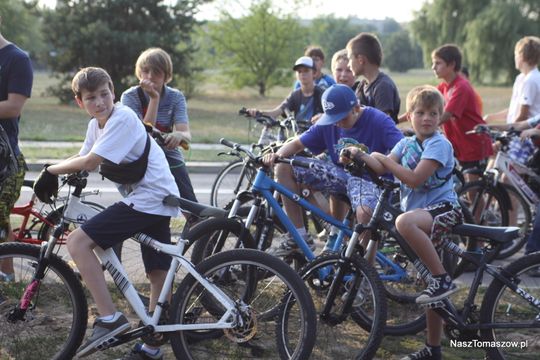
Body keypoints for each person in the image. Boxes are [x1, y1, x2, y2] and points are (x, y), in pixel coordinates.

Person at [33, 67, 179, 360]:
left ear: (113, 91)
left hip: (150, 198)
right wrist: (57, 168)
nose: (99, 102)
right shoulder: (95, 125)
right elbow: (84, 155)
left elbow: (91, 161)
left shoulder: (122, 118)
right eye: (91, 98)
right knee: (157, 272)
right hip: (152, 197)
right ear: (80, 102)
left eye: (104, 94)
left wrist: (50, 170)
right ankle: (152, 348)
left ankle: (110, 318)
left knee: (77, 242)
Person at [345, 85, 462, 360]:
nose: (426, 118)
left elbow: (414, 179)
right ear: (409, 116)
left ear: (440, 116)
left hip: (443, 211)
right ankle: (433, 349)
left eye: (433, 113)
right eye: (420, 113)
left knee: (403, 223)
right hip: (420, 219)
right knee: (429, 289)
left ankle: (444, 279)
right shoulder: (407, 143)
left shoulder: (439, 144)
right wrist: (359, 154)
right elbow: (381, 166)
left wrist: (385, 160)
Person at [261, 84, 403, 256]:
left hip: (371, 182)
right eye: (332, 118)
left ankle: (366, 269)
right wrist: (276, 155)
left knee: (364, 214)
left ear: (356, 108)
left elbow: (403, 148)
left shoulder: (379, 120)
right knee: (284, 166)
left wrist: (379, 162)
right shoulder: (330, 122)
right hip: (342, 177)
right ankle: (299, 236)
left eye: (342, 118)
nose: (337, 123)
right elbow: (298, 143)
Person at [121, 47, 197, 204]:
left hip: (167, 153)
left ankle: (194, 221)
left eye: (156, 72)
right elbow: (143, 134)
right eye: (145, 71)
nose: (150, 77)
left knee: (186, 198)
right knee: (141, 202)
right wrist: (154, 99)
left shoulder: (176, 97)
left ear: (166, 76)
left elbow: (186, 133)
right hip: (139, 154)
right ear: (139, 73)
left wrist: (178, 135)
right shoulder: (130, 96)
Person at [0, 17, 33, 282]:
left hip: (5, 159)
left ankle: (6, 280)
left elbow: (13, 107)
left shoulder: (16, 58)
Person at [431, 44, 492, 183]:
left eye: (438, 63)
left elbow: (446, 115)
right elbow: (425, 101)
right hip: (459, 145)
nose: (433, 67)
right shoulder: (444, 86)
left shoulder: (461, 86)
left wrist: (422, 128)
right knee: (463, 188)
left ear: (452, 64)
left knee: (473, 190)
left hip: (473, 144)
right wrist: (401, 118)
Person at [248, 56, 324, 123]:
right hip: (299, 137)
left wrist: (323, 116)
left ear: (314, 73)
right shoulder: (295, 95)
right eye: (299, 71)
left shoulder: (322, 94)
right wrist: (258, 112)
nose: (302, 74)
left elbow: (332, 115)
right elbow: (276, 112)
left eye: (306, 70)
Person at [483, 36, 540, 125]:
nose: (515, 58)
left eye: (516, 55)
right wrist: (491, 117)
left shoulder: (530, 80)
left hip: (527, 134)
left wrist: (508, 132)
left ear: (522, 56)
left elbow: (523, 115)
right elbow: (514, 110)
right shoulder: (520, 78)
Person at [346, 32, 401, 123]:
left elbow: (382, 124)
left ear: (361, 60)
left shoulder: (383, 86)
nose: (348, 65)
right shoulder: (362, 86)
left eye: (350, 59)